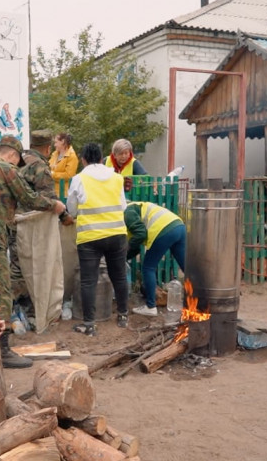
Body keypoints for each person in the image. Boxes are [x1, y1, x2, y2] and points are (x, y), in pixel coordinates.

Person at [0, 135, 66, 368]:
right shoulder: (6, 169)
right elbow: (28, 198)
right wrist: (55, 206)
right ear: (13, 155)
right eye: (17, 160)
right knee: (0, 296)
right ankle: (1, 353)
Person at [66, 143, 130, 335]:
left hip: (90, 236)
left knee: (88, 280)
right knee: (119, 276)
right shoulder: (117, 178)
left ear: (83, 160)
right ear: (102, 158)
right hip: (116, 234)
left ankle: (89, 324)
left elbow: (72, 209)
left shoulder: (79, 179)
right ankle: (123, 316)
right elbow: (123, 206)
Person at [10, 130, 72, 326]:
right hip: (33, 226)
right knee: (35, 266)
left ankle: (13, 310)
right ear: (46, 148)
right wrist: (64, 216)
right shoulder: (39, 167)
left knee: (15, 266)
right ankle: (25, 308)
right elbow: (49, 199)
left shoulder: (18, 161)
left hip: (13, 221)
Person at [125, 201, 186, 316]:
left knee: (148, 267)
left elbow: (140, 234)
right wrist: (126, 256)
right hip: (179, 226)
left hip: (163, 229)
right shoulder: (136, 207)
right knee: (186, 268)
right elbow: (137, 245)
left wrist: (125, 252)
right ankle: (199, 301)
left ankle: (151, 307)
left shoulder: (126, 211)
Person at [49, 132, 78, 197]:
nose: (54, 145)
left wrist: (52, 174)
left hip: (64, 194)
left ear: (62, 141)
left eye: (56, 142)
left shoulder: (72, 157)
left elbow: (69, 175)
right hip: (52, 192)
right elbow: (48, 167)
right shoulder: (54, 154)